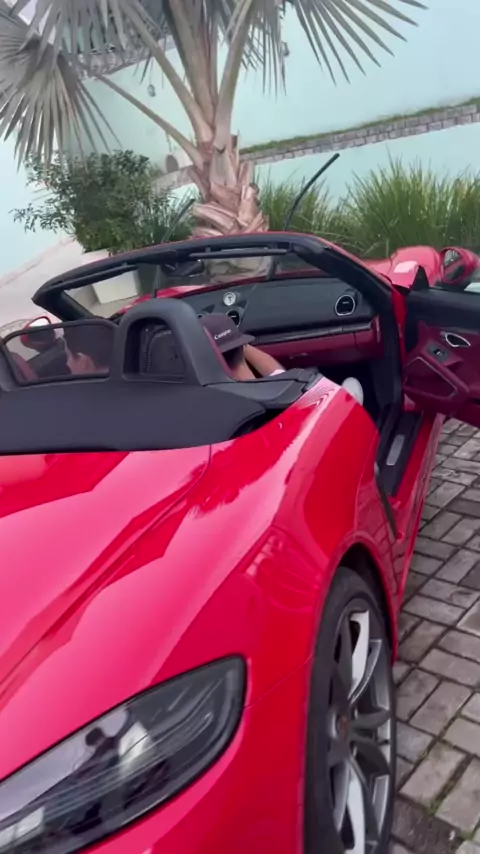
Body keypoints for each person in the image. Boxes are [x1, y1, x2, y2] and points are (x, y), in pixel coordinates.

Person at [201, 313, 364, 405]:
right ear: (242, 348)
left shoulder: (211, 401)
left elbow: (276, 374)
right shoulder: (284, 396)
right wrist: (239, 341)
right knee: (346, 388)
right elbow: (278, 375)